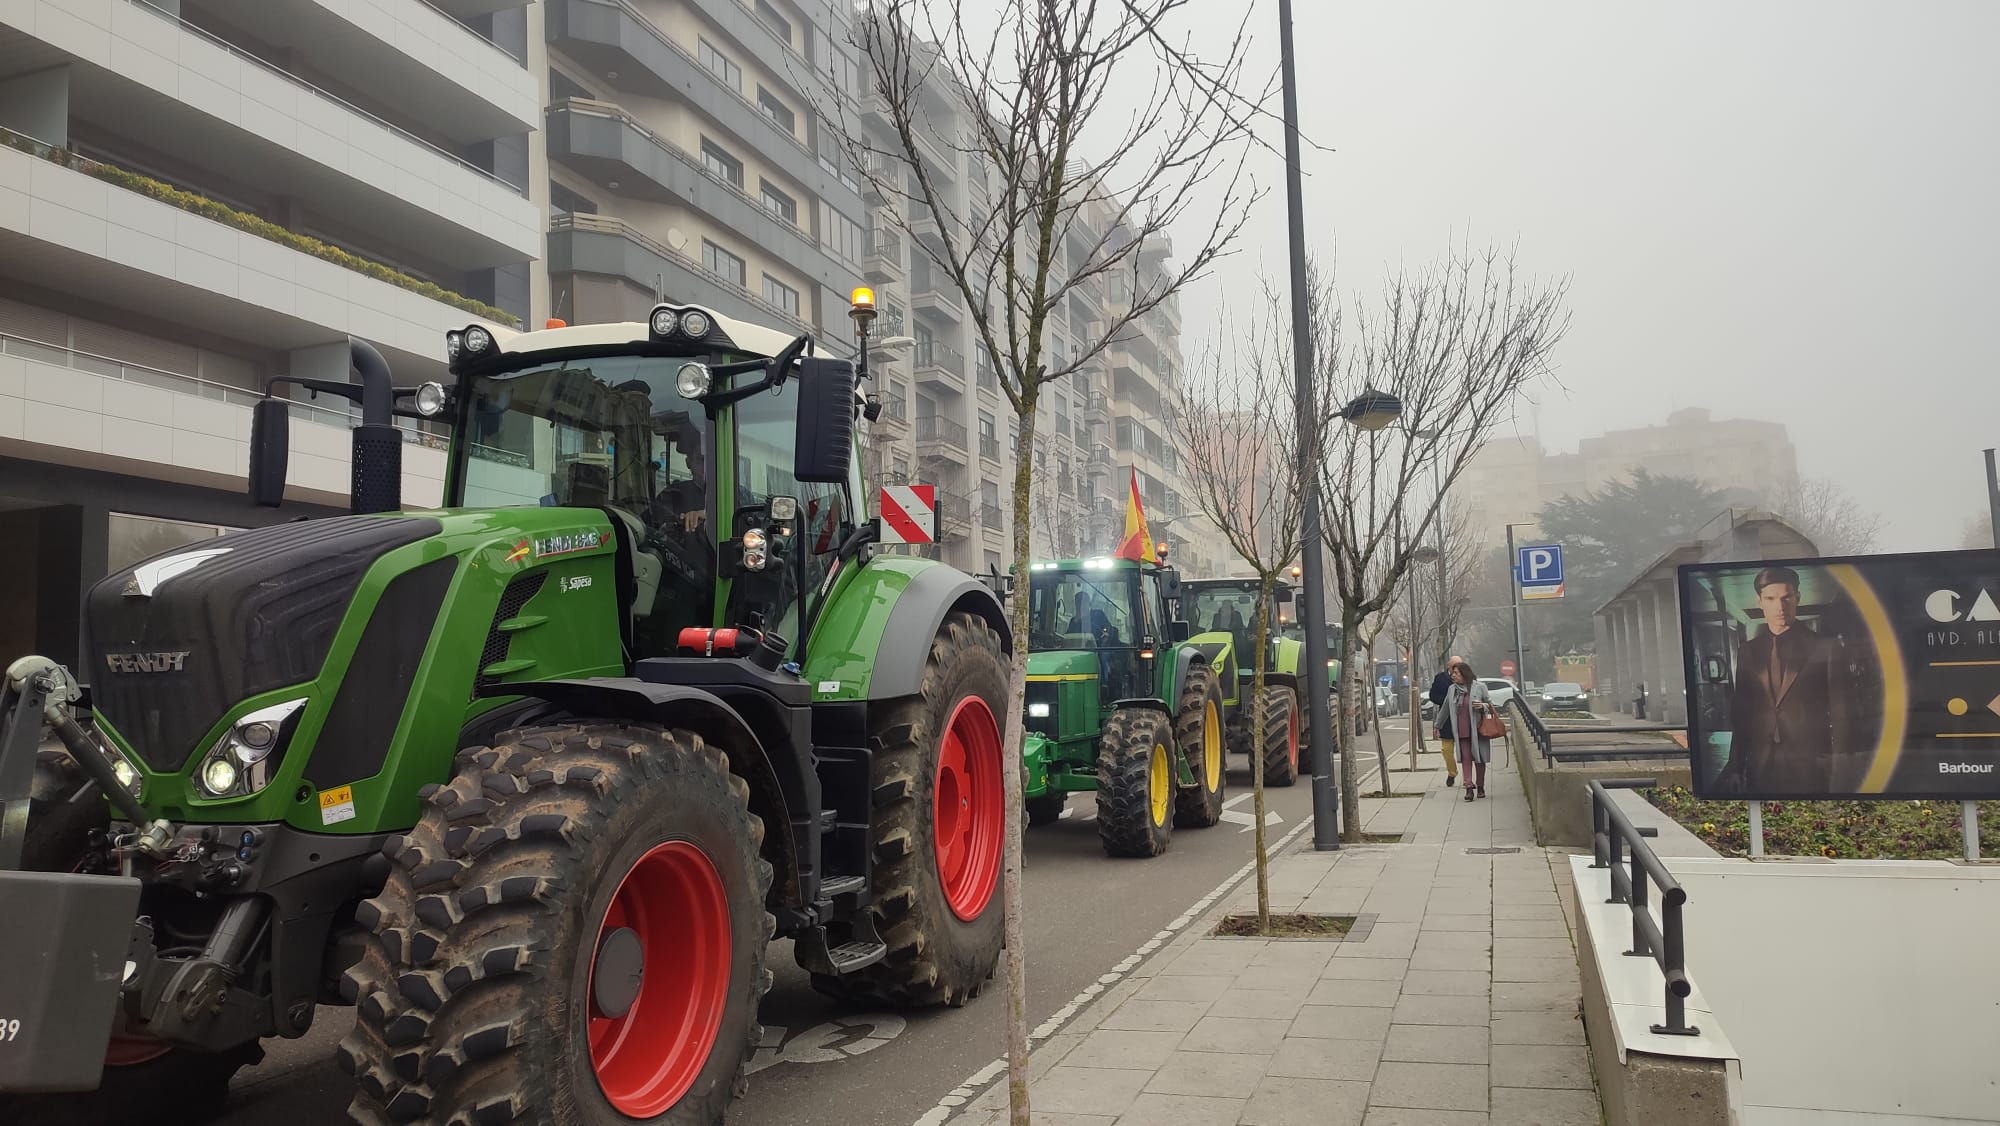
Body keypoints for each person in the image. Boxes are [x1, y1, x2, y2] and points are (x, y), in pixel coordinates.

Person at [1714, 566, 1850, 795]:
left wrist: (1839, 767)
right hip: (1760, 764)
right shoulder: (1748, 651)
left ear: (1797, 598)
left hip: (1811, 763)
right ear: (1760, 601)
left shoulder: (1824, 648)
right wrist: (1736, 767)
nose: (1779, 607)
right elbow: (1742, 714)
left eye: (1786, 598)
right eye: (1771, 598)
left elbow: (1841, 712)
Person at [1440, 659, 1497, 800]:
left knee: (1479, 759)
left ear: (1464, 674)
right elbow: (1445, 708)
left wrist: (1482, 706)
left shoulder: (1479, 687)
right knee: (1466, 759)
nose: (1453, 676)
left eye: (1456, 673)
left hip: (1478, 730)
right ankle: (1469, 788)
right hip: (1462, 730)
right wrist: (1437, 725)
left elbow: (1490, 706)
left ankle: (1480, 786)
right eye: (1453, 673)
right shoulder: (1452, 689)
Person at [1428, 659, 1459, 787]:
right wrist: (1447, 701)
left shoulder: (1467, 678)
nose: (1455, 670)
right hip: (1447, 720)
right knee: (1447, 750)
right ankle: (1452, 773)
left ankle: (1468, 779)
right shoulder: (1440, 679)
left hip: (1463, 719)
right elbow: (1433, 696)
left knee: (1468, 752)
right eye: (1453, 667)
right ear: (1449, 666)